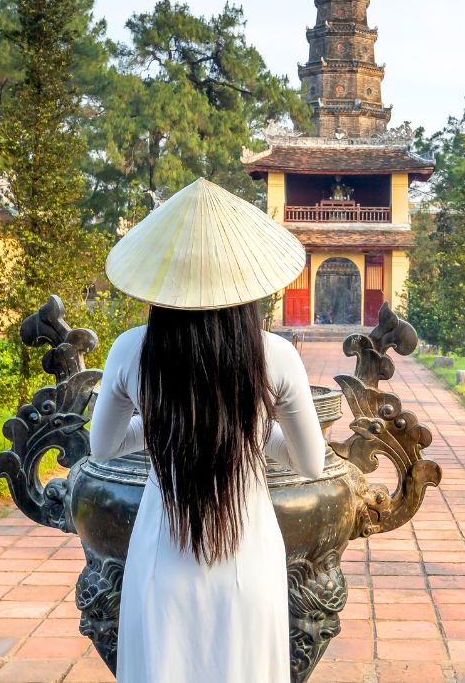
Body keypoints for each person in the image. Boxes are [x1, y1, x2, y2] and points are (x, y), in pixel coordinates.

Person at [90, 177, 325, 683]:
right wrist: (249, 432)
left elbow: (103, 446)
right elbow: (311, 463)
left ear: (161, 276)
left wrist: (161, 429)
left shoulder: (132, 349)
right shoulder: (276, 354)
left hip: (161, 555)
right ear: (246, 276)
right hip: (247, 555)